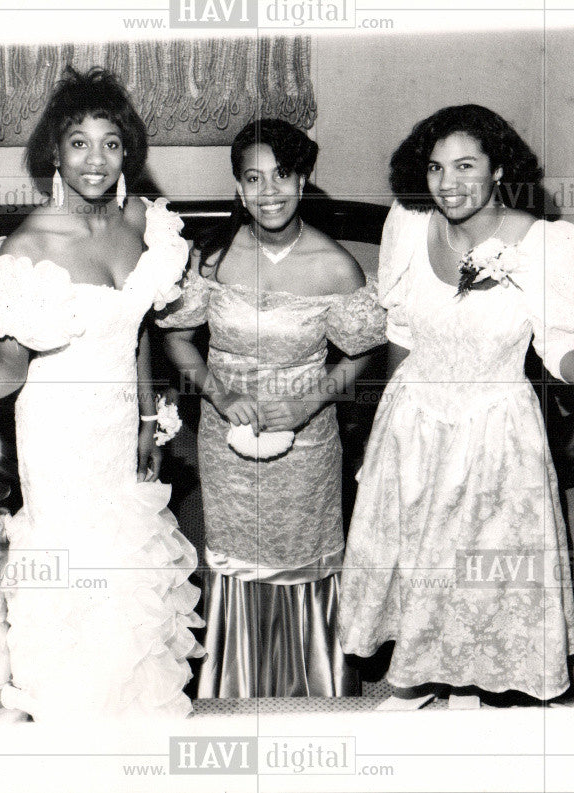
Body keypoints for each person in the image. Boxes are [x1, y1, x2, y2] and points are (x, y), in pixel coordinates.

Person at [337, 105, 574, 709]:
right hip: (415, 421)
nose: (447, 182)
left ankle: (445, 686)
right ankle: (422, 679)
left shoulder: (547, 244)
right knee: (419, 558)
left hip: (494, 430)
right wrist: (379, 440)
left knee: (475, 566)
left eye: (466, 165)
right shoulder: (407, 223)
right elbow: (401, 333)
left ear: (499, 169)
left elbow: (562, 346)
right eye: (435, 167)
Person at [0, 67, 204, 721]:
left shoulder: (145, 223)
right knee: (75, 577)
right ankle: (70, 727)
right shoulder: (28, 246)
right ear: (54, 152)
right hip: (60, 438)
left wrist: (150, 414)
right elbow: (7, 370)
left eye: (111, 142)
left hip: (121, 430)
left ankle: (132, 730)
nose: (96, 159)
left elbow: (138, 324)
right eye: (79, 143)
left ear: (127, 151)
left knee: (129, 574)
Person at [156, 119, 386, 698]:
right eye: (253, 179)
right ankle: (232, 686)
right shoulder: (210, 259)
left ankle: (312, 686)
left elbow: (362, 351)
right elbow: (177, 339)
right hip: (224, 434)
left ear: (303, 179)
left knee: (302, 555)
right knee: (234, 556)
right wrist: (221, 394)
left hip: (307, 440)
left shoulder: (337, 266)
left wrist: (309, 403)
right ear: (237, 188)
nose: (269, 192)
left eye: (282, 175)